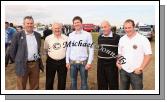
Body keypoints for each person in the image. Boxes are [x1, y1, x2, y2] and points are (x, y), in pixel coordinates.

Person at [10, 16, 44, 90]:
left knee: (35, 86)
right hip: (22, 64)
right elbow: (12, 51)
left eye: (31, 23)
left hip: (35, 64)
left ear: (33, 24)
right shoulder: (17, 35)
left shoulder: (38, 35)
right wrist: (18, 61)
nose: (29, 25)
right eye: (27, 23)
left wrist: (37, 60)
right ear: (24, 24)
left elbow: (37, 50)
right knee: (21, 87)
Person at [117, 19, 152, 90]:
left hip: (136, 72)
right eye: (125, 28)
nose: (127, 30)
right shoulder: (122, 39)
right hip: (123, 70)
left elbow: (148, 55)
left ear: (134, 27)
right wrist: (118, 62)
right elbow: (120, 53)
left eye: (129, 27)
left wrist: (141, 68)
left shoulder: (143, 39)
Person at [66, 16, 94, 90]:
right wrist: (67, 61)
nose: (76, 24)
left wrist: (89, 62)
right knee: (73, 82)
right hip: (72, 63)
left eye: (78, 22)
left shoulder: (87, 35)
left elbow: (91, 49)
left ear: (81, 23)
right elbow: (68, 48)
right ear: (73, 24)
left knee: (84, 82)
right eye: (75, 23)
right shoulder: (70, 35)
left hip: (83, 63)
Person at [44, 22, 68, 90]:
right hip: (51, 61)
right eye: (55, 28)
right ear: (52, 29)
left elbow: (68, 50)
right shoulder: (48, 38)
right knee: (49, 80)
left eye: (58, 28)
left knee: (62, 80)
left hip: (63, 62)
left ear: (61, 28)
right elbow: (46, 49)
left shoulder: (66, 38)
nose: (57, 30)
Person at [97, 21, 120, 90]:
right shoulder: (100, 37)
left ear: (110, 27)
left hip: (112, 65)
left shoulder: (117, 37)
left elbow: (120, 51)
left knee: (113, 84)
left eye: (105, 27)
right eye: (102, 27)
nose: (103, 29)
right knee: (101, 84)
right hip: (100, 64)